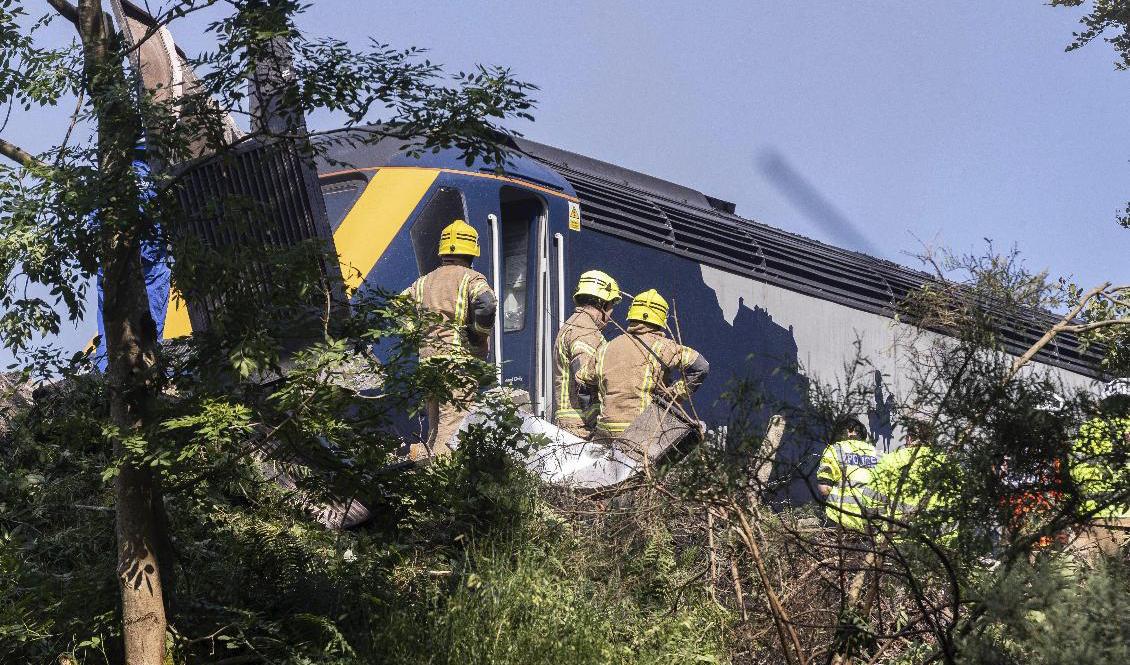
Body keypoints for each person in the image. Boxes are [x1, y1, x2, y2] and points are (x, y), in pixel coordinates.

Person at [403, 219, 497, 458]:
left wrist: (414, 333)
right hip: (457, 363)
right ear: (472, 252)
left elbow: (398, 304)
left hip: (427, 363)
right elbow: (486, 304)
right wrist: (478, 336)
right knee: (453, 425)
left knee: (435, 426)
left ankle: (426, 474)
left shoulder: (424, 281)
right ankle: (443, 481)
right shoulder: (471, 278)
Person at [581, 288, 709, 457]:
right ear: (661, 319)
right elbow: (701, 366)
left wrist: (593, 419)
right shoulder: (664, 346)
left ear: (632, 314)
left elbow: (583, 382)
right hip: (639, 434)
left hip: (604, 433)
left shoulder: (606, 348)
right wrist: (674, 394)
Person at [552, 270, 622, 439]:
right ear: (602, 303)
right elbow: (584, 383)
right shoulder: (585, 332)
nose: (611, 316)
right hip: (580, 429)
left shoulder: (573, 325)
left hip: (571, 426)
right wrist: (598, 426)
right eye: (611, 306)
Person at [1070, 379, 1130, 557]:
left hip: (1093, 518)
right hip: (1126, 517)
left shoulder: (1088, 429)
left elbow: (1075, 472)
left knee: (1094, 579)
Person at [816, 417, 879, 532]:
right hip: (868, 522)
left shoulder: (835, 449)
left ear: (850, 431)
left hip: (838, 519)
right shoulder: (877, 454)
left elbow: (824, 488)